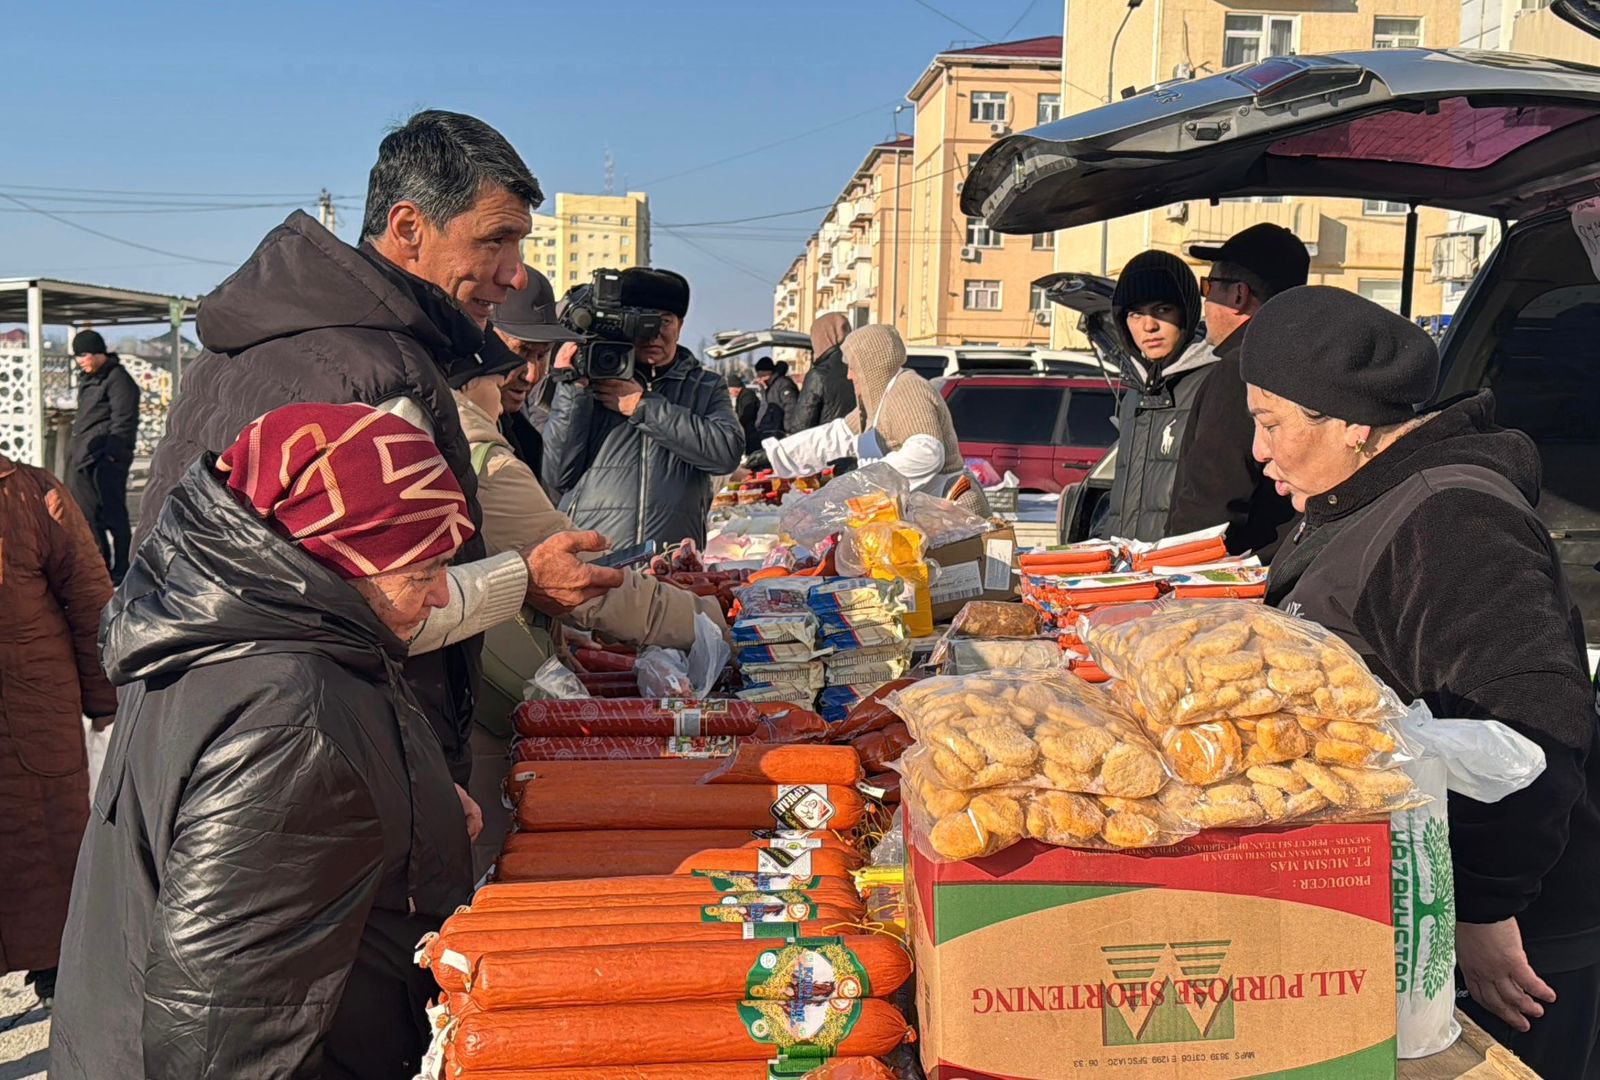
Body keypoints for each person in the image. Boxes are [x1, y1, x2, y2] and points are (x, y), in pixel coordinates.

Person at [137, 109, 621, 794]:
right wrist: (524, 578)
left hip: (210, 737)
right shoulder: (375, 379)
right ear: (408, 228)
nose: (515, 276)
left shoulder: (255, 346)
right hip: (304, 767)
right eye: (497, 241)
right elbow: (379, 611)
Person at [52, 403, 487, 1080]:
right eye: (421, 573)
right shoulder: (287, 721)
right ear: (340, 559)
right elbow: (225, 1040)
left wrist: (417, 808)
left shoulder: (225, 622)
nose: (439, 598)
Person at [1245, 287, 1600, 1080]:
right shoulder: (1354, 498)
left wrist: (1483, 905)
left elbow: (1534, 724)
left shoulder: (1450, 519)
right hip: (1424, 901)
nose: (1259, 451)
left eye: (1272, 424)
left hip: (1510, 934)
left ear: (1351, 424)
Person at [453, 361, 726, 874]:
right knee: (492, 849)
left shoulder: (459, 437)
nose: (528, 374)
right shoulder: (481, 454)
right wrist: (702, 622)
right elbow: (579, 574)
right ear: (469, 381)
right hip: (491, 692)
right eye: (504, 369)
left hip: (498, 675)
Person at [0, 449, 116, 1011]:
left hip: (31, 711)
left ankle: (59, 970)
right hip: (35, 710)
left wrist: (105, 695)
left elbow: (90, 602)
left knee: (48, 846)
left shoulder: (31, 494)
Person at [542, 267, 744, 547]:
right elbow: (557, 474)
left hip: (671, 560)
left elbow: (726, 454)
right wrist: (573, 390)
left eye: (664, 321)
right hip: (596, 554)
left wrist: (643, 407)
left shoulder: (705, 386)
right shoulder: (591, 378)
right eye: (642, 322)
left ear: (681, 325)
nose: (654, 335)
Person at [1167, 222, 1304, 557]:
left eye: (1209, 287)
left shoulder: (1240, 369)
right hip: (1292, 563)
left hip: (1237, 576)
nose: (1206, 303)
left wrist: (1177, 576)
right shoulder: (1305, 359)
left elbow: (1211, 499)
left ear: (1239, 295)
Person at [760, 324, 990, 515]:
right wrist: (775, 455)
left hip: (954, 515)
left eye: (852, 367)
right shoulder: (878, 403)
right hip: (925, 514)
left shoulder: (908, 390)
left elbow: (926, 453)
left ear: (870, 366)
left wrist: (862, 484)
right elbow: (836, 436)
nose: (849, 375)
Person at [1095, 250, 1219, 544]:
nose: (1148, 327)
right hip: (1130, 570)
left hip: (1180, 569)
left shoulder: (1213, 383)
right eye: (1136, 314)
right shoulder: (1134, 393)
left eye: (1162, 310)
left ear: (1186, 313)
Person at [64, 329, 139, 583]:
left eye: (84, 355)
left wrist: (112, 457)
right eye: (77, 356)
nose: (80, 360)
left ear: (98, 353)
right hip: (84, 458)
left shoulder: (118, 379)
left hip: (107, 460)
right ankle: (101, 567)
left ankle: (123, 568)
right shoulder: (90, 379)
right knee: (87, 515)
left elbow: (124, 421)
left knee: (113, 514)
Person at [492, 265, 582, 476]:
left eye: (542, 356)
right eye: (521, 352)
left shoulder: (527, 441)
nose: (532, 374)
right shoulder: (442, 429)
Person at [794, 312, 856, 430]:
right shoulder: (861, 364)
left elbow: (801, 425)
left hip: (828, 444)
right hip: (863, 442)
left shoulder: (819, 374)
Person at [752, 356, 797, 440]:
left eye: (760, 374)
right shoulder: (768, 386)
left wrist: (789, 430)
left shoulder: (782, 384)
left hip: (780, 432)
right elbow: (764, 407)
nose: (758, 377)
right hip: (769, 430)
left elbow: (790, 407)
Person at [729, 372, 763, 455]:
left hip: (752, 432)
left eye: (729, 390)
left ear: (735, 388)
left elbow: (746, 414)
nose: (730, 393)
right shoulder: (742, 396)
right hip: (747, 431)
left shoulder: (747, 395)